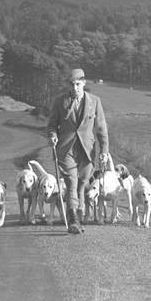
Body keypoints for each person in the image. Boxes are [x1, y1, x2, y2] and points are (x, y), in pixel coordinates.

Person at [47, 68, 109, 234]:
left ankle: (79, 219)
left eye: (78, 84)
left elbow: (101, 128)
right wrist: (52, 135)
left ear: (84, 83)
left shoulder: (95, 101)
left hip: (87, 150)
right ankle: (73, 219)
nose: (74, 88)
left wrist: (104, 151)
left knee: (82, 185)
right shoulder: (60, 102)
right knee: (71, 183)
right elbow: (52, 124)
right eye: (72, 84)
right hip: (66, 148)